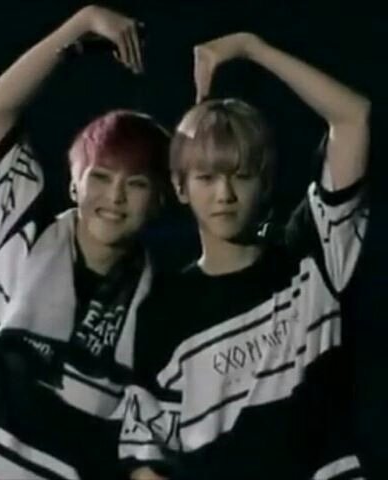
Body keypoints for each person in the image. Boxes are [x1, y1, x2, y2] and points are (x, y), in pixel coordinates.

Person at [0, 5, 170, 480]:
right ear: (74, 184)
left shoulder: (160, 309)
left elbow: (142, 453)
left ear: (160, 199)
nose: (115, 197)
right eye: (100, 177)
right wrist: (83, 22)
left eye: (136, 183)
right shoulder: (19, 233)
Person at [120, 32, 370, 480]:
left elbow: (353, 117)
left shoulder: (310, 258)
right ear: (180, 187)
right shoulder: (162, 311)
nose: (225, 194)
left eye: (241, 175)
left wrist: (252, 48)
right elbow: (145, 456)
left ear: (266, 182)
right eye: (207, 177)